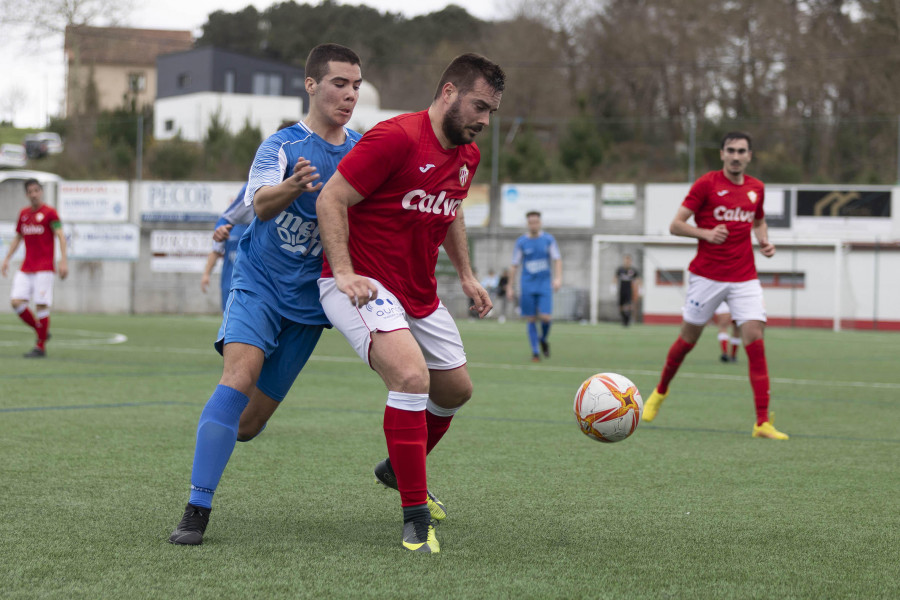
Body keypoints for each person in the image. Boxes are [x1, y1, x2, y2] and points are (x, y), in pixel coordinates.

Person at [168, 43, 364, 546]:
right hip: (258, 282)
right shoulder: (281, 145)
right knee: (239, 374)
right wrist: (295, 185)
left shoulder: (361, 152)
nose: (350, 94)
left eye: (357, 85)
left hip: (308, 306)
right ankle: (197, 506)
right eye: (340, 83)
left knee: (249, 424)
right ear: (312, 85)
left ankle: (213, 436)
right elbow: (258, 205)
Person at [316, 53, 505, 553]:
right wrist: (343, 273)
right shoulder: (396, 137)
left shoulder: (467, 155)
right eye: (479, 107)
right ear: (448, 92)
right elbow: (330, 200)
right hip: (363, 284)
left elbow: (451, 209)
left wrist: (465, 274)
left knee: (456, 390)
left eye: (491, 112)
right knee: (411, 378)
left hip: (418, 292)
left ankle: (395, 468)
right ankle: (416, 520)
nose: (484, 121)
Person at [642, 131, 788, 440]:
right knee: (687, 340)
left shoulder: (756, 188)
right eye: (731, 150)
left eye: (742, 151)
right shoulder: (706, 184)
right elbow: (676, 225)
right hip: (706, 277)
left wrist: (763, 241)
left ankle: (762, 422)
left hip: (744, 277)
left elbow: (758, 221)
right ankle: (660, 391)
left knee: (754, 338)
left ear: (750, 156)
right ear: (722, 154)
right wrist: (706, 234)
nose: (736, 156)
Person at [1, 178, 68, 358]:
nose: (34, 194)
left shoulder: (50, 213)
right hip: (26, 267)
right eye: (30, 191)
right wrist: (6, 258)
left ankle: (40, 347)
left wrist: (63, 261)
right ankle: (42, 331)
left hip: (44, 268)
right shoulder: (23, 214)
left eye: (36, 190)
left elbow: (61, 236)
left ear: (41, 192)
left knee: (41, 305)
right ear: (26, 194)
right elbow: (17, 237)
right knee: (16, 302)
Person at [507, 211, 562, 361]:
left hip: (544, 284)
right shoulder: (521, 242)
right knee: (531, 319)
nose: (534, 225)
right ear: (527, 224)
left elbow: (557, 259)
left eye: (536, 222)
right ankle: (535, 352)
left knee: (545, 318)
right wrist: (509, 286)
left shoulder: (548, 240)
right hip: (527, 284)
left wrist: (558, 278)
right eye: (531, 222)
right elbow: (514, 265)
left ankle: (543, 339)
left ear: (540, 223)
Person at [200, 184, 251, 311]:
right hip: (228, 284)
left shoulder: (255, 226)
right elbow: (216, 250)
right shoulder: (227, 228)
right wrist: (206, 274)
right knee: (228, 321)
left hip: (249, 284)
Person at [614, 254, 640, 326]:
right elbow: (615, 278)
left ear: (631, 261)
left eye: (628, 260)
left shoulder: (633, 270)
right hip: (622, 289)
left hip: (630, 290)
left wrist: (639, 289)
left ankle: (628, 319)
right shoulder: (620, 269)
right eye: (626, 260)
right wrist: (613, 287)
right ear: (624, 260)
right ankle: (623, 319)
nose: (627, 261)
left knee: (629, 305)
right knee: (621, 305)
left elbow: (638, 280)